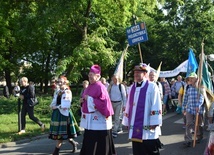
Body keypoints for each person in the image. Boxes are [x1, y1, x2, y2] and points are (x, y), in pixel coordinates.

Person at [122, 63, 162, 155]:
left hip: (148, 124)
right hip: (134, 124)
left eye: (138, 72)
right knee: (138, 150)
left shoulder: (152, 86)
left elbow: (156, 104)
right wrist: (127, 120)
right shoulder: (132, 87)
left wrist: (155, 121)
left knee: (150, 148)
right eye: (135, 72)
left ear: (145, 74)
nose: (136, 74)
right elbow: (128, 105)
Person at [79, 64, 116, 155]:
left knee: (99, 147)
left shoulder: (100, 87)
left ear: (98, 76)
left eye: (92, 74)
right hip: (90, 122)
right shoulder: (89, 87)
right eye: (89, 74)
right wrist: (82, 100)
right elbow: (86, 99)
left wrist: (90, 99)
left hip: (99, 122)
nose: (90, 76)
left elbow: (104, 103)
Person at [49, 76, 79, 154]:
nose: (59, 83)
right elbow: (54, 100)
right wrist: (52, 106)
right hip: (57, 113)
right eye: (58, 81)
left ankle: (55, 152)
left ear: (65, 82)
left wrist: (56, 107)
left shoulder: (67, 91)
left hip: (64, 114)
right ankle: (74, 143)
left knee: (61, 135)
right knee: (65, 134)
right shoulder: (57, 91)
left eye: (60, 81)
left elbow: (65, 105)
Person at [182, 72, 204, 147]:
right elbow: (185, 98)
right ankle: (188, 140)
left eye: (192, 78)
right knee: (189, 123)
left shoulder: (200, 86)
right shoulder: (187, 87)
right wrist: (183, 107)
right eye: (190, 78)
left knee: (198, 124)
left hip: (199, 109)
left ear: (196, 78)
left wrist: (199, 105)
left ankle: (199, 136)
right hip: (190, 109)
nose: (191, 79)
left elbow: (202, 97)